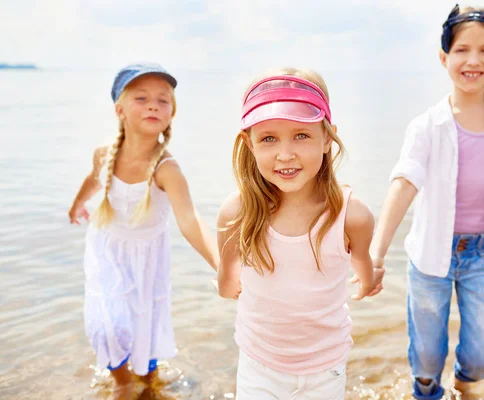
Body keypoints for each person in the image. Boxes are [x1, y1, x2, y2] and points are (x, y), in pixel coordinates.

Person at [370, 6, 484, 399]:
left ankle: (463, 388)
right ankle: (427, 392)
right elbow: (404, 183)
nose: (474, 60)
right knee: (427, 356)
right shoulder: (427, 125)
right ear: (443, 57)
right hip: (431, 256)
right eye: (462, 50)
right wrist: (376, 254)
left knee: (480, 357)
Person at [217, 68, 385, 399]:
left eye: (301, 135)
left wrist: (369, 279)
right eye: (268, 138)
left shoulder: (352, 216)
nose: (285, 153)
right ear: (248, 143)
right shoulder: (237, 213)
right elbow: (366, 277)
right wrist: (369, 281)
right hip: (258, 367)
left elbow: (226, 285)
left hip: (326, 368)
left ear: (327, 138)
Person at [68, 63, 219, 399]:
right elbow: (95, 179)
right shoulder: (105, 154)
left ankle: (148, 383)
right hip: (107, 248)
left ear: (171, 113)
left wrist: (223, 266)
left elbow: (190, 219)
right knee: (107, 322)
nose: (153, 105)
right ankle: (121, 383)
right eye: (142, 98)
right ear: (119, 110)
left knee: (143, 319)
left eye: (163, 100)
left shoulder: (167, 169)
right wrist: (78, 203)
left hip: (148, 256)